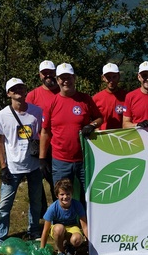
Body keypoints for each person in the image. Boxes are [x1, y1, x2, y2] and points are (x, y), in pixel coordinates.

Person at [0, 78, 44, 247]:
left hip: (34, 164)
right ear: (8, 93)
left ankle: (34, 230)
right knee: (4, 204)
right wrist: (3, 166)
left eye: (21, 88)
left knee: (36, 201)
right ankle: (0, 238)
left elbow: (43, 134)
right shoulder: (3, 115)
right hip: (13, 166)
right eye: (14, 89)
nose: (18, 91)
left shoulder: (36, 111)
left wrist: (43, 158)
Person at [39, 63, 103, 191]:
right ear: (57, 80)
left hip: (85, 158)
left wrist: (92, 125)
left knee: (90, 195)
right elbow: (45, 132)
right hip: (60, 160)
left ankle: (84, 212)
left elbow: (100, 118)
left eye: (68, 77)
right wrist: (42, 158)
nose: (65, 81)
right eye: (62, 78)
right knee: (63, 196)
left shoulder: (85, 99)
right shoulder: (51, 103)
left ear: (74, 78)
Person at [26, 59, 60, 204]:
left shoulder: (62, 91)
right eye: (44, 73)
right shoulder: (32, 96)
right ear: (40, 75)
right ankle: (41, 217)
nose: (48, 76)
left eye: (50, 73)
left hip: (58, 144)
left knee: (57, 183)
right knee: (36, 184)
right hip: (38, 144)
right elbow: (25, 121)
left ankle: (60, 213)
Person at [40, 178, 88, 255]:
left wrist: (90, 245)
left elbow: (84, 226)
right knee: (59, 228)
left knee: (77, 239)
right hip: (57, 229)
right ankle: (61, 252)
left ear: (72, 194)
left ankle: (69, 246)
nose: (65, 197)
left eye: (68, 194)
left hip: (72, 227)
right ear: (57, 195)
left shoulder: (77, 204)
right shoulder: (52, 208)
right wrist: (42, 249)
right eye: (62, 194)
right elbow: (45, 230)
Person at [92, 62, 127, 130]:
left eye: (114, 77)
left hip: (123, 137)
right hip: (103, 138)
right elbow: (92, 120)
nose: (111, 80)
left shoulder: (127, 97)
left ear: (118, 76)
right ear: (103, 78)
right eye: (108, 77)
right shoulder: (96, 98)